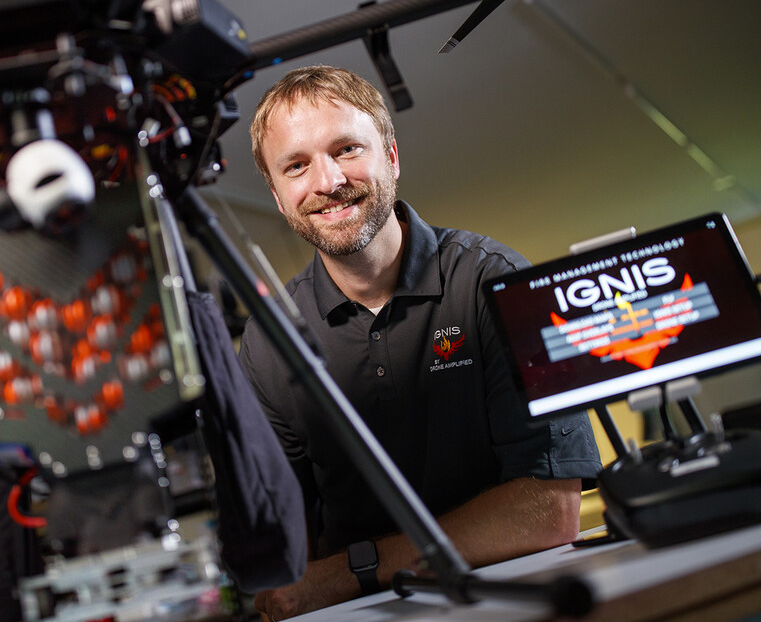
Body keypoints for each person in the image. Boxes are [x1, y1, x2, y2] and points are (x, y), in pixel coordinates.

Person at [237, 65, 602, 620]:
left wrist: (354, 569)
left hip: (517, 598)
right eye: (297, 165)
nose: (328, 180)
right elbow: (287, 540)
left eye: (347, 149)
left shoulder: (494, 282)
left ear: (392, 156)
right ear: (278, 193)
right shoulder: (269, 341)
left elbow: (549, 511)